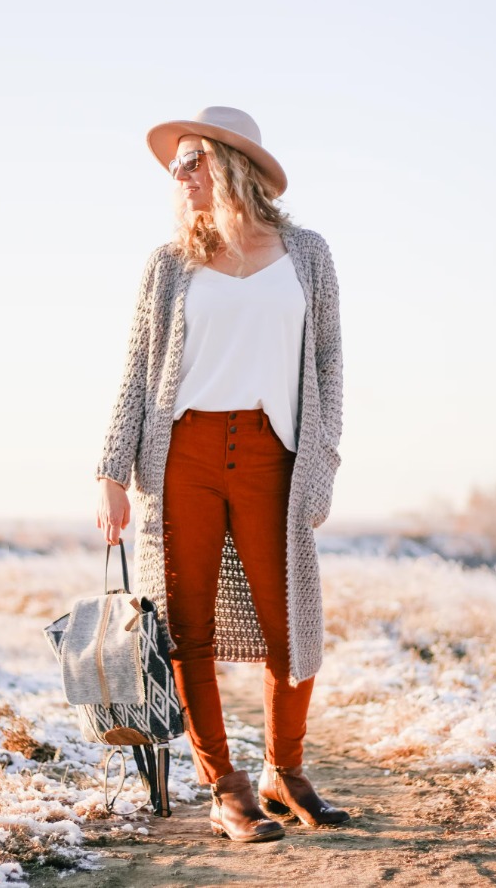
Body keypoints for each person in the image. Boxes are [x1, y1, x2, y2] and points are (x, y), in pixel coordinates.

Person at [95, 106, 349, 842]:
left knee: (290, 624)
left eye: (191, 160)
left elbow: (330, 364)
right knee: (188, 629)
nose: (179, 177)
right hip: (182, 458)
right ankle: (225, 787)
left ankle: (284, 770)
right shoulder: (169, 264)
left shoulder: (307, 254)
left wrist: (324, 454)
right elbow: (138, 375)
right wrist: (112, 469)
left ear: (234, 165)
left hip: (276, 453)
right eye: (177, 165)